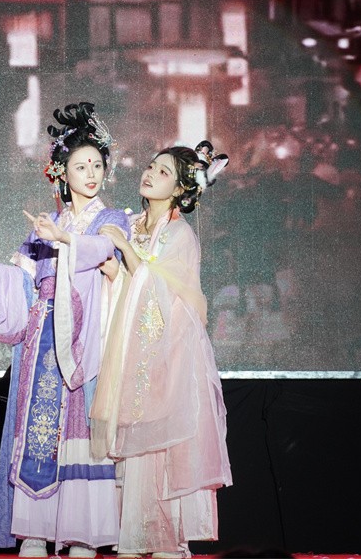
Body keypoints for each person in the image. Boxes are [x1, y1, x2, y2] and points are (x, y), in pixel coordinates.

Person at [0, 102, 128, 557]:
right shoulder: (45, 228)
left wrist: (65, 239)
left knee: (81, 427)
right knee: (37, 431)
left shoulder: (111, 220)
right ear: (62, 173)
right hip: (42, 338)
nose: (91, 174)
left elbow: (105, 252)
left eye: (97, 165)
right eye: (81, 166)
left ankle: (83, 532)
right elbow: (19, 284)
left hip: (85, 339)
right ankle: (35, 530)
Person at [91, 141, 234, 558]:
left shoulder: (179, 234)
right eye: (152, 166)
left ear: (180, 189)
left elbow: (165, 291)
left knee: (160, 443)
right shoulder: (131, 223)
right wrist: (115, 271)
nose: (151, 173)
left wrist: (125, 250)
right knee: (133, 444)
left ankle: (163, 539)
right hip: (128, 349)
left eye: (164, 172)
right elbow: (130, 285)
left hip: (166, 353)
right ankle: (132, 536)